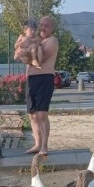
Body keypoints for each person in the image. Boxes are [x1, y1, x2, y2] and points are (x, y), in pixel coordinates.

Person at [25, 16, 59, 156]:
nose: (43, 28)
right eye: (41, 25)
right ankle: (37, 144)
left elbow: (41, 59)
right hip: (31, 79)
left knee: (41, 113)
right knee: (32, 114)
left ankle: (44, 146)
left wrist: (26, 54)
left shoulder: (52, 41)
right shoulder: (36, 40)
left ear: (52, 28)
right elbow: (22, 53)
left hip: (44, 78)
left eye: (46, 25)